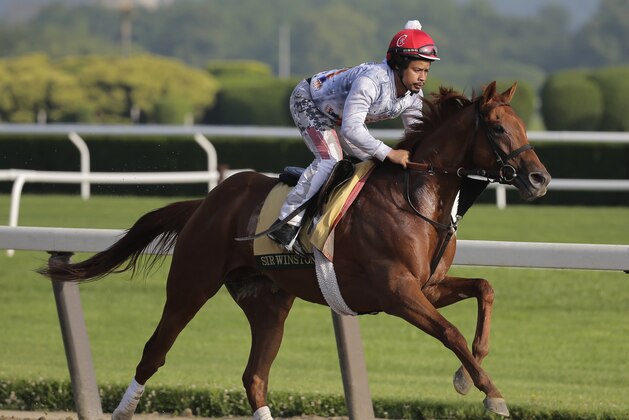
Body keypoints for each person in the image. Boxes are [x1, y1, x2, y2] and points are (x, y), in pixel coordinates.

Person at [268, 19, 440, 254]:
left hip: (339, 118)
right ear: (399, 66)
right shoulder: (371, 81)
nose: (423, 78)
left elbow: (415, 132)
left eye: (426, 71)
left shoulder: (412, 94)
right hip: (309, 102)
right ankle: (286, 224)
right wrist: (389, 152)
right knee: (330, 160)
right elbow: (351, 129)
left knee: (370, 164)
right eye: (417, 70)